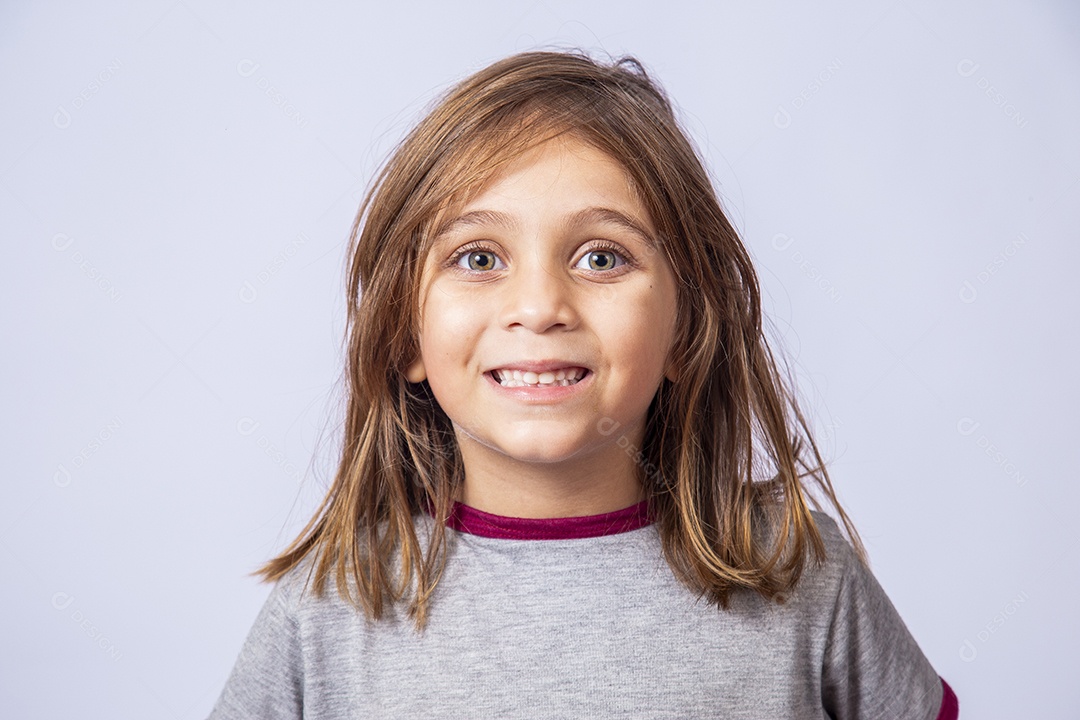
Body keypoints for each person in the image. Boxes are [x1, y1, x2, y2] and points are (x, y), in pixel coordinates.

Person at [207, 49, 959, 719]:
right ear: (406, 334)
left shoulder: (802, 575)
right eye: (477, 257)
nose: (539, 307)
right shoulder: (327, 606)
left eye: (602, 257)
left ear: (684, 328)